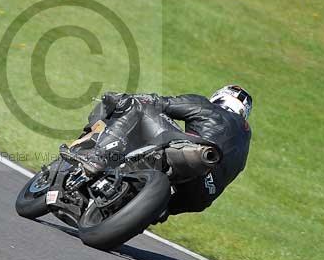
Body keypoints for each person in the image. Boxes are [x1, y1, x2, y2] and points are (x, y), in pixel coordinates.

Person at [72, 86, 253, 218]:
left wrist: (124, 98)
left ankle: (98, 157)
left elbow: (160, 103)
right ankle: (149, 211)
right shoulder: (245, 146)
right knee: (162, 211)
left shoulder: (209, 107)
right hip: (201, 196)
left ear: (220, 97)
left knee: (136, 107)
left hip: (189, 152)